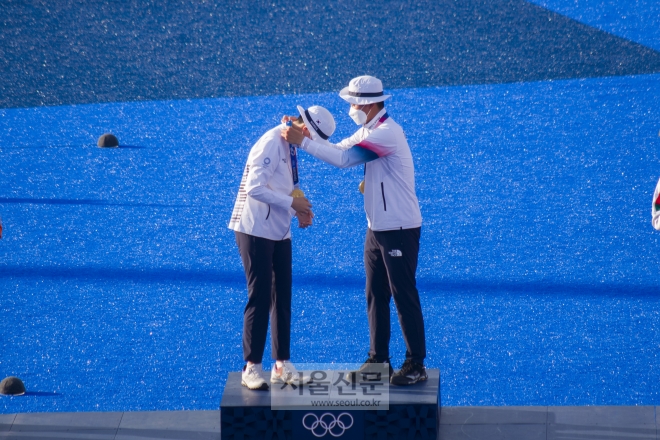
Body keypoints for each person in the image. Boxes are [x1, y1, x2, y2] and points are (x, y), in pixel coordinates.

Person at [281, 75, 427, 386]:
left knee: (402, 294)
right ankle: (379, 361)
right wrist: (302, 131)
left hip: (398, 228)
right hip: (377, 227)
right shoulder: (369, 129)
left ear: (371, 104)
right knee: (375, 293)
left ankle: (416, 363)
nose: (350, 108)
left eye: (353, 103)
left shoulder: (387, 133)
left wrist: (302, 141)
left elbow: (344, 159)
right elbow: (335, 148)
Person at [229, 105, 336, 390]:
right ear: (305, 129)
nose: (310, 145)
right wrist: (292, 203)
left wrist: (297, 209)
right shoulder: (271, 142)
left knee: (282, 297)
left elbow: (281, 186)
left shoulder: (290, 144)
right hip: (253, 230)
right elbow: (254, 188)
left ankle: (281, 364)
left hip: (279, 231)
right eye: (312, 138)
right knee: (260, 296)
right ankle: (251, 367)